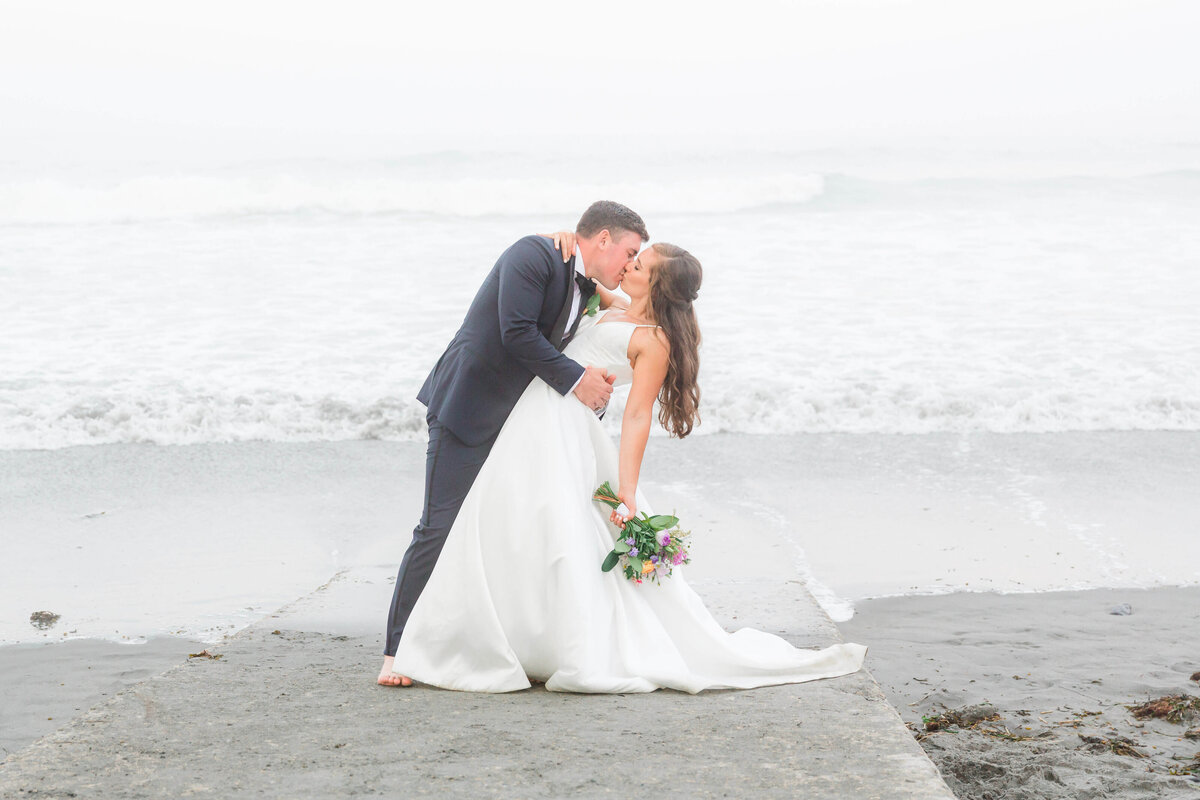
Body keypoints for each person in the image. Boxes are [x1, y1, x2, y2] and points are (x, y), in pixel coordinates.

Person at [388, 235, 868, 692]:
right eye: (632, 257)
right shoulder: (612, 304)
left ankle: (550, 641)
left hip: (566, 434)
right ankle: (504, 634)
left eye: (639, 264)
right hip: (530, 423)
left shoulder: (651, 339)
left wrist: (628, 490)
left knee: (555, 535)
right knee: (511, 528)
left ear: (654, 284)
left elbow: (638, 416)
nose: (629, 265)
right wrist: (564, 236)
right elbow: (577, 270)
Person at [379, 201, 649, 686]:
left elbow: (642, 305)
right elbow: (516, 332)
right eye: (629, 251)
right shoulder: (534, 255)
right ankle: (395, 653)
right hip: (468, 409)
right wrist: (577, 381)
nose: (629, 265)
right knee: (438, 528)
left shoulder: (585, 282)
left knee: (501, 535)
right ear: (603, 239)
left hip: (515, 425)